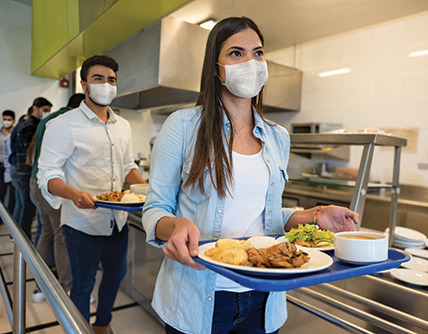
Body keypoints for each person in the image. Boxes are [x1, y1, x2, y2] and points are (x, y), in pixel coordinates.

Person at [142, 17, 359, 334]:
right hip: (199, 297)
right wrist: (175, 224)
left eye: (258, 53)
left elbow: (264, 215)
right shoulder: (183, 126)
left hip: (264, 296)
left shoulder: (277, 136)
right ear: (215, 67)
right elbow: (155, 208)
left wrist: (314, 215)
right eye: (236, 53)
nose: (251, 62)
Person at [37, 55, 147, 334]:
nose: (106, 85)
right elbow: (47, 175)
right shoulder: (63, 124)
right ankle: (80, 328)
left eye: (111, 80)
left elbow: (127, 169)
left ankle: (103, 325)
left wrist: (148, 189)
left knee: (116, 274)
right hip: (81, 223)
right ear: (84, 84)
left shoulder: (122, 125)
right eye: (98, 79)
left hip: (117, 220)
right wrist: (73, 194)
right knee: (83, 284)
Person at [30, 93, 85, 303]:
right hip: (50, 187)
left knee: (46, 233)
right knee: (62, 237)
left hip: (36, 183)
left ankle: (39, 287)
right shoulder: (65, 121)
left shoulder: (47, 120)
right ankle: (67, 288)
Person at [11, 97, 52, 239]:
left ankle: (15, 236)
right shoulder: (32, 126)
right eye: (45, 110)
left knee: (21, 205)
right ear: (35, 108)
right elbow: (33, 151)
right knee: (27, 208)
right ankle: (24, 240)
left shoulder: (22, 123)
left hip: (18, 169)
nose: (47, 113)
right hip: (26, 171)